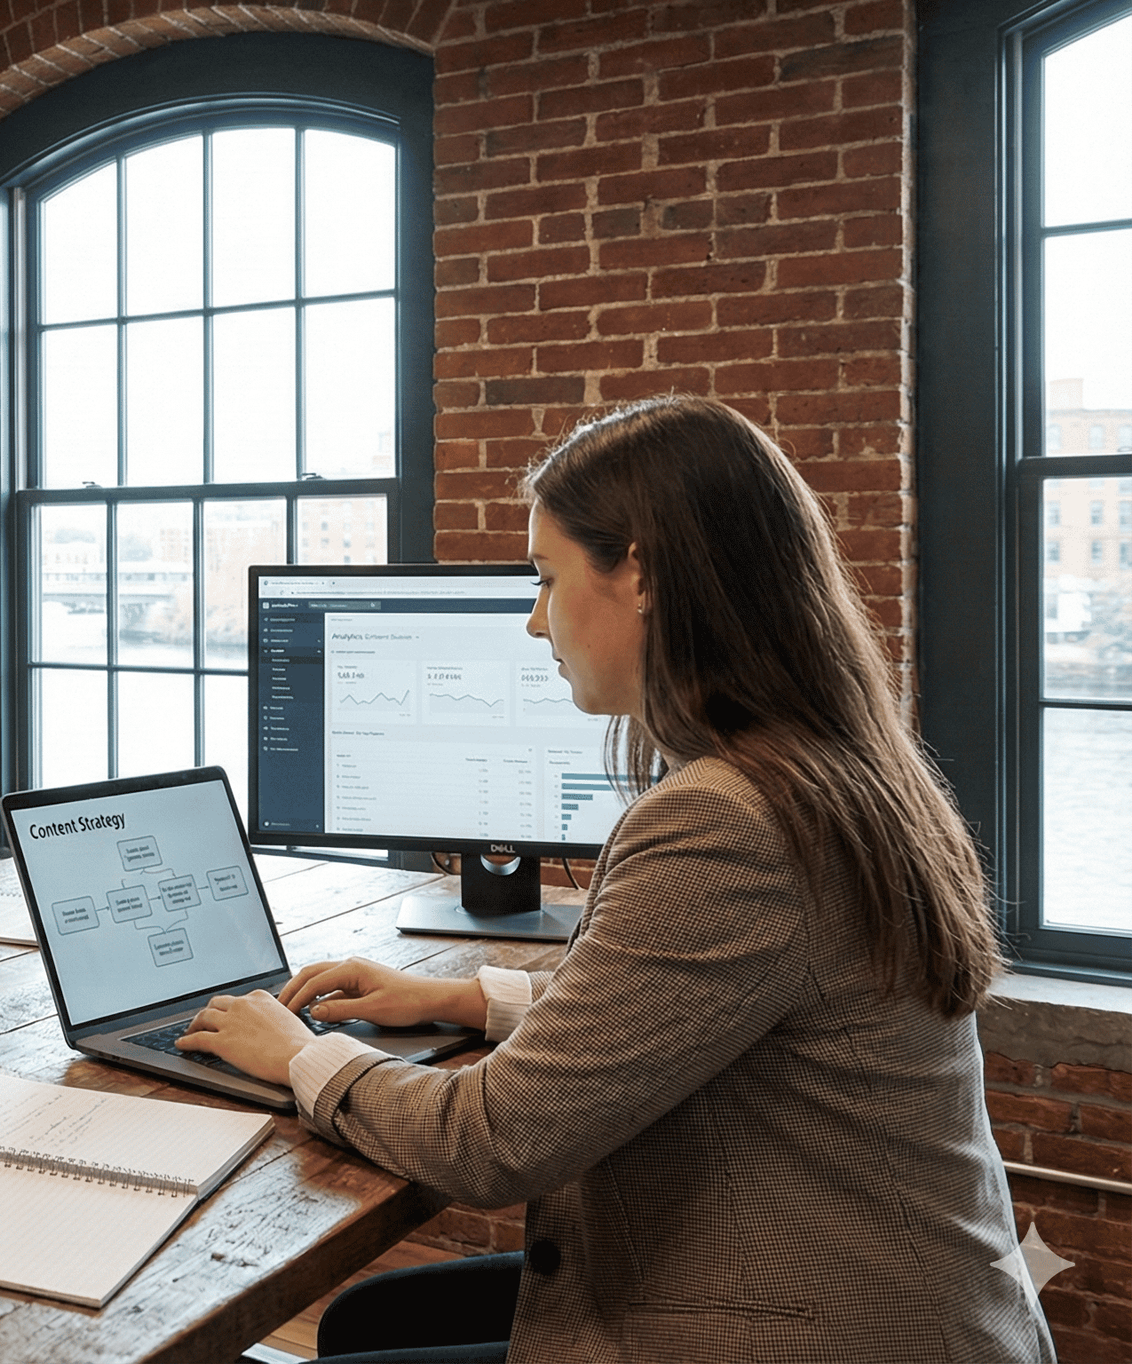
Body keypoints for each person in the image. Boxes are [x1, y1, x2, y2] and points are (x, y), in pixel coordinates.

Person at [178, 395, 1055, 1362]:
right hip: (907, 1303)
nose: (533, 621)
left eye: (548, 580)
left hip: (815, 1325)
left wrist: (298, 1053)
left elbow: (495, 1141)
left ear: (638, 570)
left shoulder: (724, 814)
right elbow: (685, 996)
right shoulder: (829, 767)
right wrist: (462, 998)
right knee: (367, 1322)